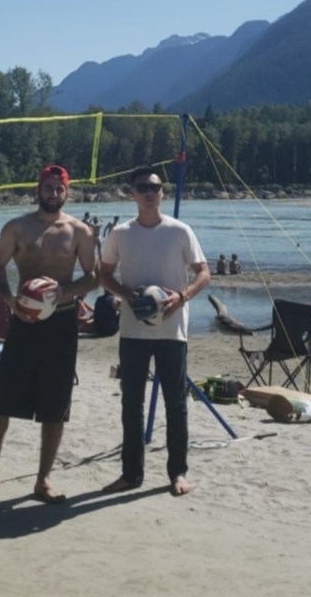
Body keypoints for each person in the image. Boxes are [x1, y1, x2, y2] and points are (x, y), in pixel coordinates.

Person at [0, 164, 99, 510]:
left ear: (67, 192)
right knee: (2, 402)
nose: (53, 194)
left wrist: (65, 291)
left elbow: (93, 277)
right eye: (48, 188)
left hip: (62, 324)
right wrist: (9, 298)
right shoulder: (17, 228)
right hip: (24, 324)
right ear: (37, 190)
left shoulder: (80, 232)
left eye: (59, 189)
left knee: (56, 406)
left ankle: (43, 479)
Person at [99, 166, 211, 497]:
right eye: (142, 187)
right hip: (133, 331)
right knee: (131, 404)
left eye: (155, 187)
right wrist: (124, 294)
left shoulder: (180, 231)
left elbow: (203, 272)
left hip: (172, 331)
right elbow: (103, 273)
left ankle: (178, 473)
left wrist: (183, 296)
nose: (149, 192)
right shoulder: (120, 233)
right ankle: (130, 474)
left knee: (175, 403)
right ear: (132, 193)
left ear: (163, 193)